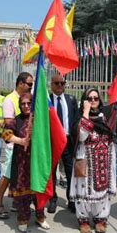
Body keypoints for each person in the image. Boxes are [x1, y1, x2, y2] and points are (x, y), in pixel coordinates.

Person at [69, 88, 116, 233]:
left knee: (102, 191)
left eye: (96, 98)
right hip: (86, 160)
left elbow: (111, 136)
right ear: (84, 101)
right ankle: (83, 221)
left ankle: (100, 219)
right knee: (83, 191)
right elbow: (82, 136)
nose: (93, 101)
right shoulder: (81, 117)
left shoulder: (106, 116)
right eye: (90, 99)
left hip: (103, 160)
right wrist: (86, 112)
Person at [2, 93, 50, 232]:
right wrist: (20, 141)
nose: (26, 106)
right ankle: (23, 218)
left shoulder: (40, 120)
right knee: (23, 194)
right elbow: (5, 135)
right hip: (21, 162)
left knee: (39, 190)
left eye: (29, 103)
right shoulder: (16, 120)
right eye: (23, 104)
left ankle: (40, 217)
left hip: (37, 162)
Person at [0, 72, 33, 219]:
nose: (31, 86)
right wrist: (20, 140)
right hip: (14, 146)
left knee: (22, 175)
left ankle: (19, 201)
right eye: (29, 84)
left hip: (27, 149)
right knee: (8, 175)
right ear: (20, 83)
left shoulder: (29, 98)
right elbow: (9, 126)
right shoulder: (10, 100)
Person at [47, 74, 79, 214]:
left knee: (70, 171)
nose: (60, 86)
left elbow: (77, 120)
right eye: (57, 83)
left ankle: (71, 200)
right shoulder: (46, 100)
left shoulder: (71, 99)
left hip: (68, 142)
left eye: (62, 83)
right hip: (52, 141)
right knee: (52, 173)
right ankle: (52, 199)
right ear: (51, 84)